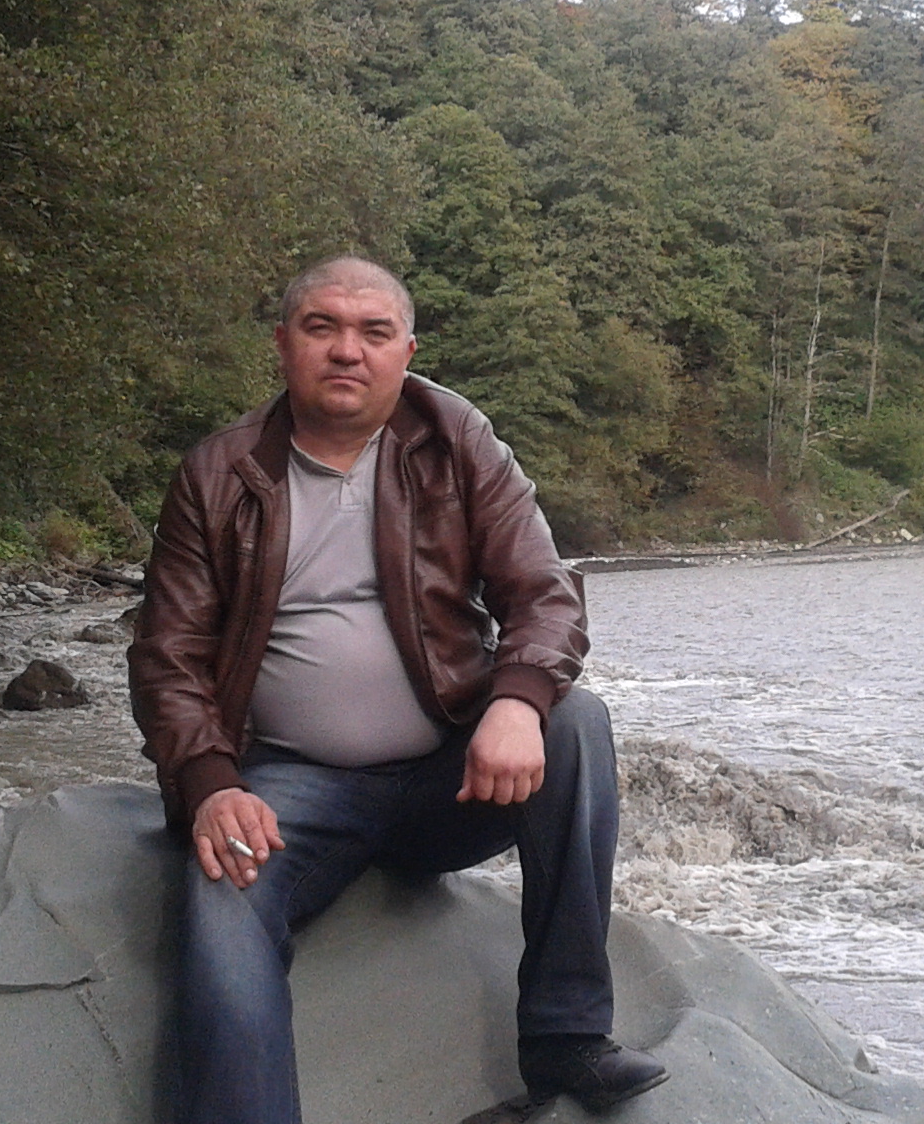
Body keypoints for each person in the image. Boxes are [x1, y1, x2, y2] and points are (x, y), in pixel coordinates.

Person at [128, 256, 667, 1123]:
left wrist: (515, 701)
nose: (348, 350)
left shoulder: (456, 439)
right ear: (283, 345)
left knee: (575, 723)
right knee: (220, 889)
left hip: (447, 777)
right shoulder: (217, 473)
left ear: (406, 351)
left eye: (373, 332)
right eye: (322, 328)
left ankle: (567, 1036)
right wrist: (211, 785)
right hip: (288, 787)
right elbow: (169, 653)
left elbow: (544, 592)